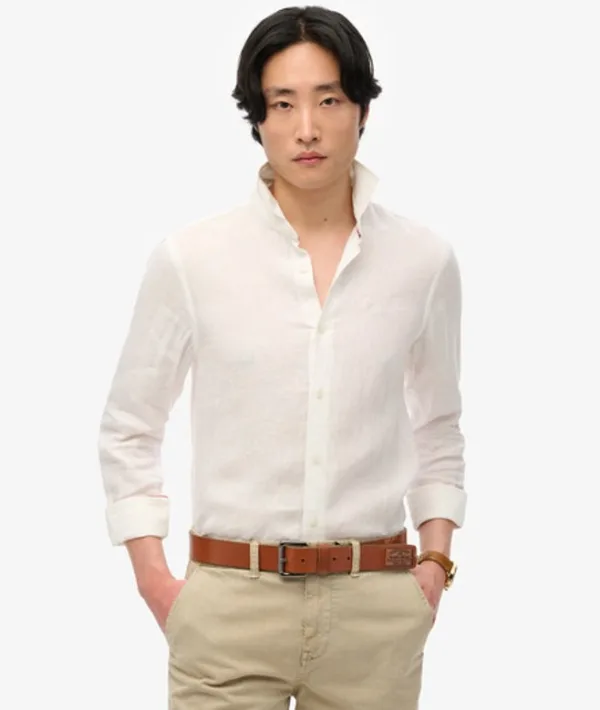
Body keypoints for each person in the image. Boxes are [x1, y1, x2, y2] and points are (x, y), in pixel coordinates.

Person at [97, 5, 467, 709]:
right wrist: (155, 581)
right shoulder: (192, 260)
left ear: (362, 109)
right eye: (283, 103)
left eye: (329, 100)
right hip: (228, 608)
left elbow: (438, 424)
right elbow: (130, 427)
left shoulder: (422, 261)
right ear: (257, 118)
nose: (307, 128)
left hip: (376, 611)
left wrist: (434, 564)